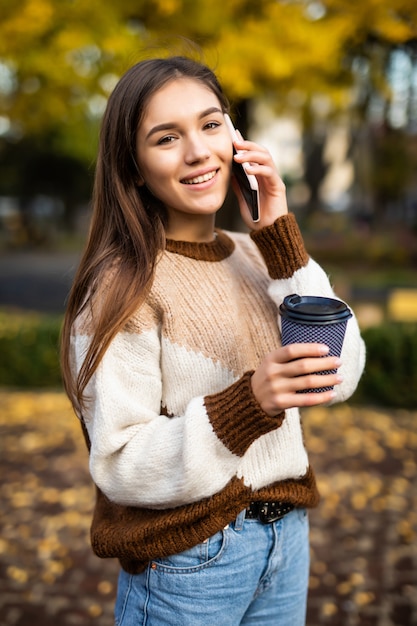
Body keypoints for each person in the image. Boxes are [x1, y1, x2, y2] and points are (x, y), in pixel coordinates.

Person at [61, 55, 365, 626]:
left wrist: (280, 237)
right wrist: (251, 403)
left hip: (286, 541)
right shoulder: (121, 286)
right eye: (166, 138)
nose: (198, 151)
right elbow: (120, 464)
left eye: (211, 123)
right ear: (133, 167)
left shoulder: (260, 256)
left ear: (235, 135)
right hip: (188, 564)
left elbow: (338, 374)